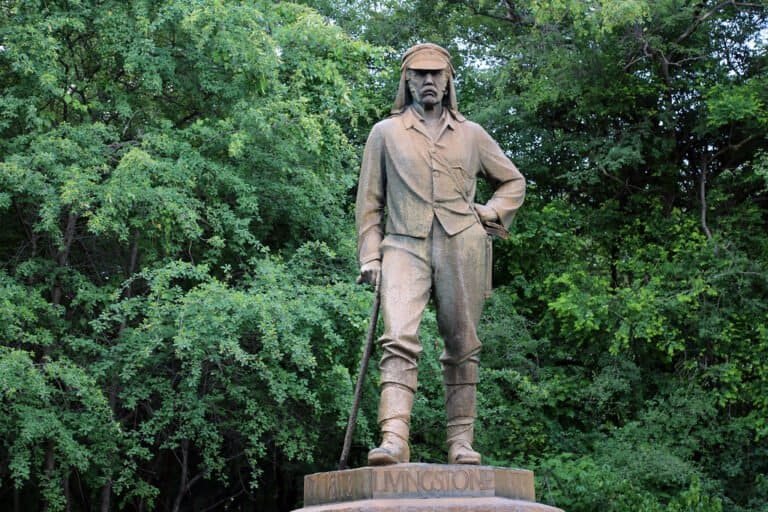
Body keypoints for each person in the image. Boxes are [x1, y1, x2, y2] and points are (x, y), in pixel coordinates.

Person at [355, 43, 525, 466]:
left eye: (436, 73)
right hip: (402, 245)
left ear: (448, 80)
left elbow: (513, 182)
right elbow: (369, 204)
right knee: (397, 338)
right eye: (420, 74)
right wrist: (370, 256)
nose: (428, 80)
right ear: (407, 80)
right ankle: (394, 437)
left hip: (462, 245)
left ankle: (461, 442)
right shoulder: (385, 133)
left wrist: (490, 212)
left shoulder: (472, 135)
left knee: (463, 344)